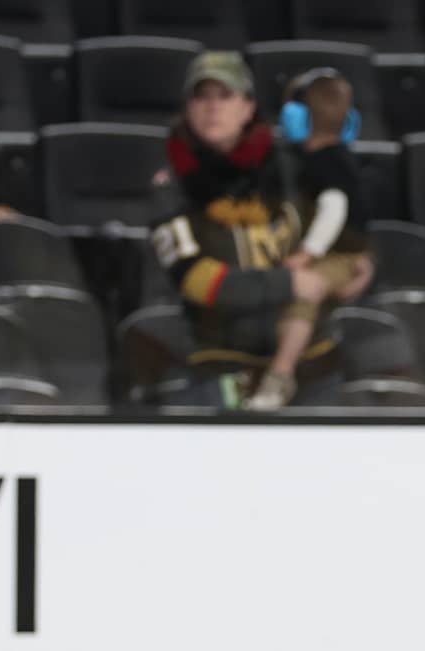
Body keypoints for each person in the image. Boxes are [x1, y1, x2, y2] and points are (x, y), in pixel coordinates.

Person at [147, 50, 369, 408]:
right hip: (219, 360)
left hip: (312, 358)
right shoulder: (171, 186)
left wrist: (359, 259)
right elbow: (195, 280)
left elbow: (340, 221)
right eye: (201, 97)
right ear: (188, 108)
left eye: (225, 96)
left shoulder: (291, 166)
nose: (212, 107)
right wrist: (289, 284)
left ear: (248, 107)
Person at [243, 67, 373, 412]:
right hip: (340, 256)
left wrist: (305, 254)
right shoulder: (321, 160)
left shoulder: (325, 162)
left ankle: (279, 376)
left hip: (337, 259)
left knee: (305, 289)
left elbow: (334, 208)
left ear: (298, 116)